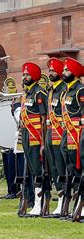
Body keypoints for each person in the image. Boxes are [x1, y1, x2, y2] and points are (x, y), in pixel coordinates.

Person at [20, 62, 47, 217]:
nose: (25, 77)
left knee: (37, 169)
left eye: (27, 74)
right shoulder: (26, 94)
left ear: (34, 76)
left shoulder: (39, 93)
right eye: (24, 74)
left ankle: (40, 203)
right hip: (26, 134)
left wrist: (43, 142)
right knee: (31, 168)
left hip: (36, 136)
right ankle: (34, 202)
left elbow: (44, 119)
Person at [43, 58, 67, 218]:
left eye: (52, 71)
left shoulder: (64, 90)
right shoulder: (51, 91)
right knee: (53, 168)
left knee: (62, 167)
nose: (49, 73)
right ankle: (60, 198)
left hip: (62, 134)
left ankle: (65, 200)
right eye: (49, 71)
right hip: (51, 133)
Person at [60, 57, 83, 219]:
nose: (63, 72)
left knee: (78, 167)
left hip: (77, 135)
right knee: (69, 166)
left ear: (74, 73)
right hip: (67, 133)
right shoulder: (66, 91)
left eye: (67, 70)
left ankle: (79, 202)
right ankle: (73, 200)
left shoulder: (80, 90)